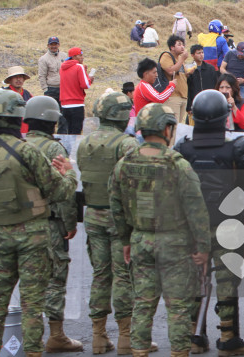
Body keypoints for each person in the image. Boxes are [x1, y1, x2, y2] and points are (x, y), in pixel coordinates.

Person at [0, 89, 76, 357]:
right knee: (33, 304)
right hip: (33, 236)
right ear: (18, 117)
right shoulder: (29, 152)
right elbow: (60, 192)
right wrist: (68, 174)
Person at [109, 102, 211, 357]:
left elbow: (116, 205)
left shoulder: (124, 164)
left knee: (142, 304)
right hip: (175, 243)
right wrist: (203, 246)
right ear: (167, 129)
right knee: (178, 307)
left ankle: (139, 352)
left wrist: (126, 240)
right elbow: (196, 208)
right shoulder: (177, 164)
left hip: (140, 239)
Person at [175, 90, 244, 356]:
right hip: (229, 224)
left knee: (194, 280)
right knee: (227, 281)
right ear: (224, 116)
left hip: (191, 225)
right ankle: (229, 337)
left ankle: (193, 336)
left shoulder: (182, 147)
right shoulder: (237, 146)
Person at [76, 92, 154, 355]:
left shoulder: (84, 143)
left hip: (93, 216)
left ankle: (98, 337)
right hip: (120, 220)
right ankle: (125, 337)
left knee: (100, 274)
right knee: (123, 275)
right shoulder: (127, 144)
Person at [22, 96, 82, 353]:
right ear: (52, 121)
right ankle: (56, 335)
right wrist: (70, 223)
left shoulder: (21, 145)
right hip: (50, 223)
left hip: (22, 221)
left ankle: (27, 335)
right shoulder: (54, 150)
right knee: (55, 278)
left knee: (28, 280)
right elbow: (63, 192)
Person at [59, 47, 94, 134]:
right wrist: (89, 79)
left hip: (64, 105)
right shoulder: (79, 67)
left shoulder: (62, 68)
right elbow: (85, 85)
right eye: (80, 55)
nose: (82, 57)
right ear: (74, 57)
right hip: (77, 104)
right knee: (76, 132)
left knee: (67, 131)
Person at [159, 35, 190, 131]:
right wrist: (182, 59)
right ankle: (170, 145)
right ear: (172, 47)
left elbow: (183, 74)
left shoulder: (179, 59)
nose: (182, 47)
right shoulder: (166, 56)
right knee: (173, 127)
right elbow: (170, 70)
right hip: (173, 97)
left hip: (183, 96)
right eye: (179, 44)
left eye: (183, 45)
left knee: (178, 126)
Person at [186, 44, 218, 116]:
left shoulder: (210, 68)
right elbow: (188, 89)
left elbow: (215, 85)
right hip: (196, 103)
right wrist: (189, 106)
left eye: (202, 52)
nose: (201, 55)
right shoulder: (189, 70)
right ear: (192, 55)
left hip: (210, 102)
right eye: (198, 53)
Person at [38, 36, 67, 109]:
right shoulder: (43, 59)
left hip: (64, 88)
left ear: (58, 45)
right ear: (48, 45)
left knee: (64, 111)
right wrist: (45, 89)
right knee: (51, 111)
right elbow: (42, 75)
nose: (54, 46)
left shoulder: (65, 56)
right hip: (51, 89)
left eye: (55, 44)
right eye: (51, 44)